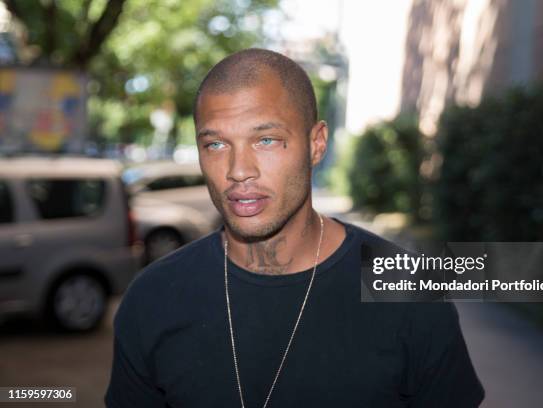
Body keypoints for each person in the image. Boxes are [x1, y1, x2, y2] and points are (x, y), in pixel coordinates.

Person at [105, 48, 484, 407]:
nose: (238, 170)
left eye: (266, 140)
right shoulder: (152, 299)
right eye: (216, 144)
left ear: (316, 144)